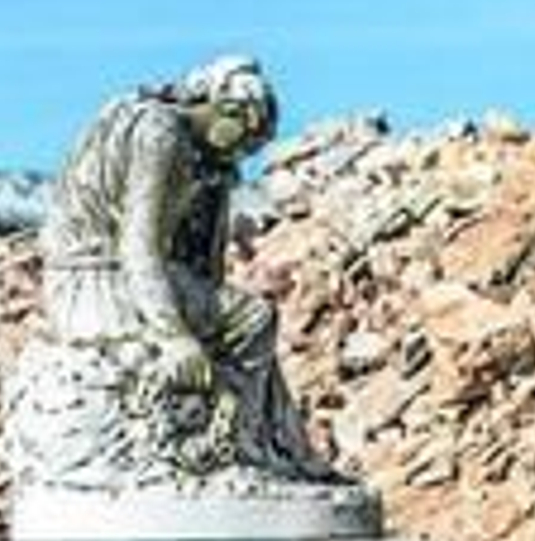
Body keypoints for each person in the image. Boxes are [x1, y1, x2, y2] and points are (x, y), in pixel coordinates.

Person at [38, 56, 337, 482]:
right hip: (102, 283)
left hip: (87, 276)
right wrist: (174, 335)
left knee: (234, 312)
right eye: (247, 138)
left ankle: (265, 441)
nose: (244, 152)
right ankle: (247, 447)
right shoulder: (161, 134)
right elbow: (139, 244)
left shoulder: (142, 117)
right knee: (253, 318)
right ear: (227, 110)